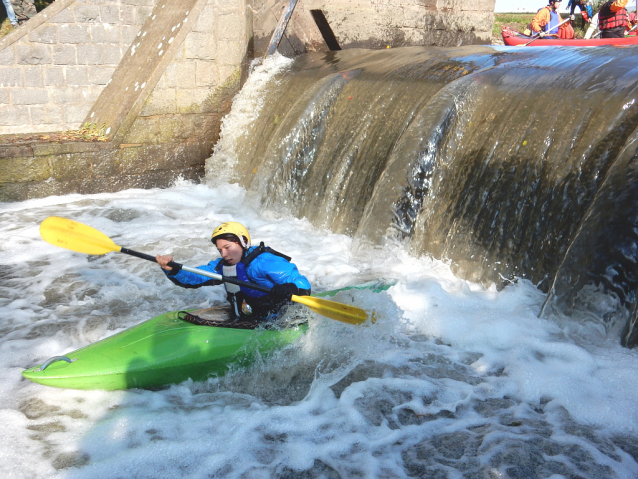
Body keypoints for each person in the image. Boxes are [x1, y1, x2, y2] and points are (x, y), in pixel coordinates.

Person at [156, 222, 312, 321]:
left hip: (278, 320)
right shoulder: (222, 266)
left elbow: (303, 284)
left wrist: (288, 288)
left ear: (243, 242)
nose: (224, 254)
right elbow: (194, 277)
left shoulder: (265, 262)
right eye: (220, 250)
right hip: (246, 317)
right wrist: (172, 269)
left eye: (227, 248)